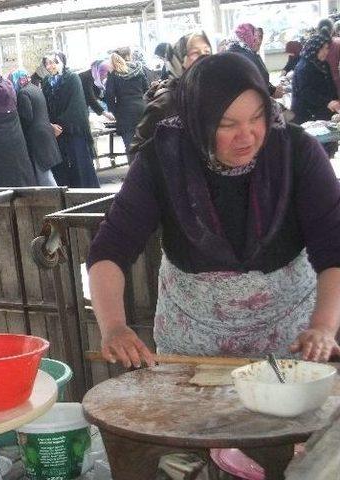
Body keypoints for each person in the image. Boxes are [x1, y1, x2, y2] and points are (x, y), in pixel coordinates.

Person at [88, 52, 340, 375]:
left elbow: (334, 248)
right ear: (199, 120)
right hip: (193, 349)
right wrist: (113, 327)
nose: (247, 136)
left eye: (257, 117)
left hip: (290, 342)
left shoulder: (298, 152)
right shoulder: (163, 159)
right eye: (227, 124)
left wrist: (322, 327)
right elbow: (111, 247)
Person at [130, 31, 211, 154]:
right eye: (195, 53)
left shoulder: (215, 94)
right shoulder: (166, 102)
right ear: (177, 60)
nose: (203, 57)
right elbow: (138, 151)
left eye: (207, 51)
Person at [41, 52, 99, 188]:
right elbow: (45, 106)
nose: (51, 66)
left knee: (80, 167)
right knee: (63, 171)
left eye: (54, 62)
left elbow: (77, 106)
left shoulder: (72, 78)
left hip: (73, 130)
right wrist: (50, 125)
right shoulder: (46, 82)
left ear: (62, 62)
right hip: (56, 133)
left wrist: (60, 125)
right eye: (48, 63)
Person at [9, 69, 61, 186]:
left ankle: (56, 199)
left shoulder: (23, 93)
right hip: (45, 134)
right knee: (46, 171)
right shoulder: (35, 88)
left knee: (44, 174)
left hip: (36, 137)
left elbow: (27, 116)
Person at [105, 47, 149, 159]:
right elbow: (147, 89)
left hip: (125, 114)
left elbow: (109, 96)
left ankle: (135, 174)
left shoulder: (113, 75)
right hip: (142, 109)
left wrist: (114, 111)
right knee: (146, 143)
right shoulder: (139, 70)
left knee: (131, 147)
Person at [291, 32, 340, 124]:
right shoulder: (304, 67)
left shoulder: (323, 64)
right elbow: (306, 92)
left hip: (322, 110)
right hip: (306, 113)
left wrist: (335, 99)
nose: (326, 52)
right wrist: (328, 102)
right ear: (314, 48)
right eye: (322, 48)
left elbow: (330, 84)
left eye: (327, 48)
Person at [227, 23, 282, 98]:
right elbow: (261, 82)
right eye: (254, 37)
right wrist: (273, 91)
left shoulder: (227, 54)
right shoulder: (249, 58)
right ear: (248, 37)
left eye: (260, 37)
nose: (257, 41)